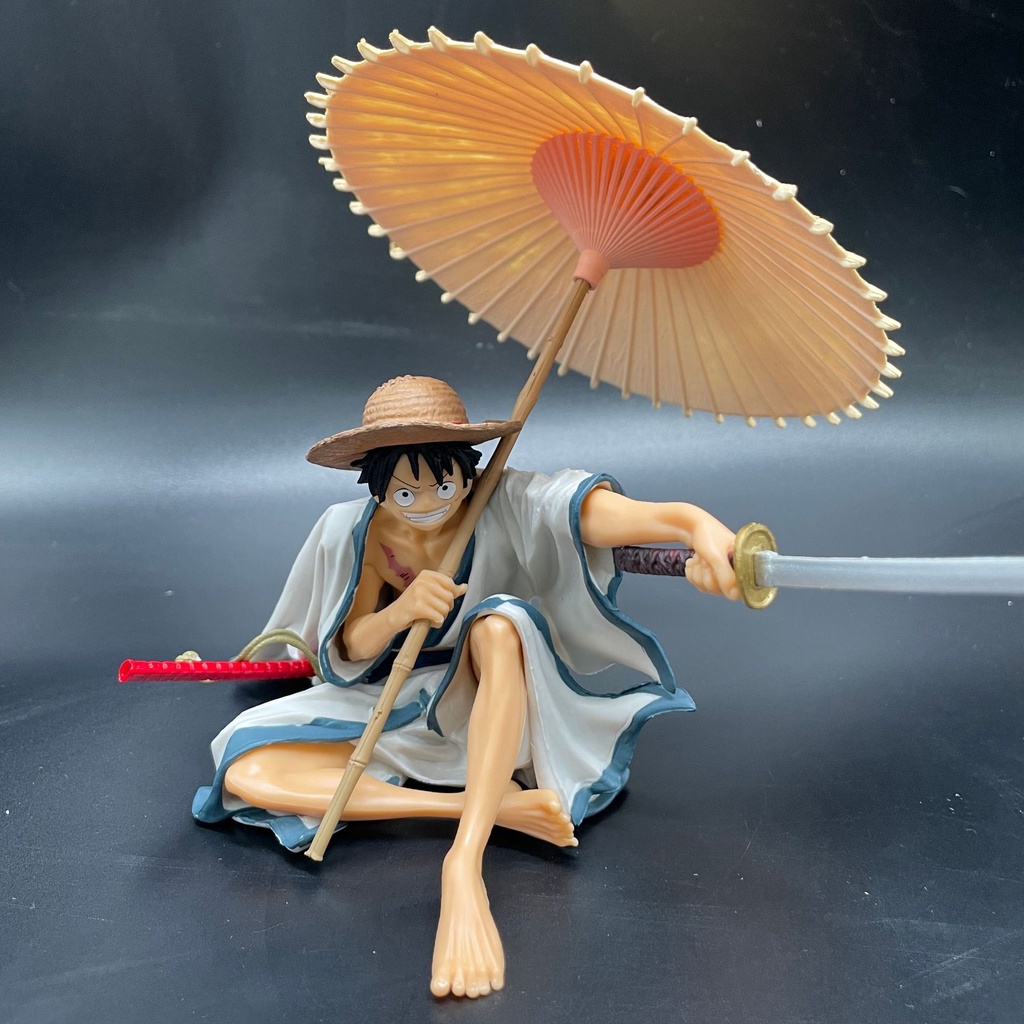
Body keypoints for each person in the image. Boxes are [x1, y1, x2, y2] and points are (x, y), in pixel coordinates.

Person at [192, 375, 739, 999]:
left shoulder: (503, 500)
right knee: (246, 769)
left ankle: (465, 858)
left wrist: (693, 524)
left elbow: (591, 514)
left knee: (501, 622)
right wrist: (400, 613)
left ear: (467, 469)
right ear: (376, 484)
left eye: (444, 484)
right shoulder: (361, 531)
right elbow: (349, 646)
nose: (426, 503)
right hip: (396, 697)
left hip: (489, 703)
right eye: (404, 491)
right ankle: (491, 809)